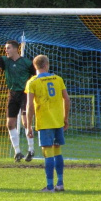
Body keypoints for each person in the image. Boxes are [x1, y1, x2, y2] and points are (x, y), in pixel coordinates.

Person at [25, 55, 70, 192]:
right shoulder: (58, 79)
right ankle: (60, 184)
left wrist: (28, 125)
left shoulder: (32, 82)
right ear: (47, 65)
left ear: (35, 66)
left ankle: (50, 186)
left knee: (48, 154)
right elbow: (67, 99)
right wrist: (65, 118)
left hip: (44, 122)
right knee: (57, 152)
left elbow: (29, 106)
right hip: (57, 121)